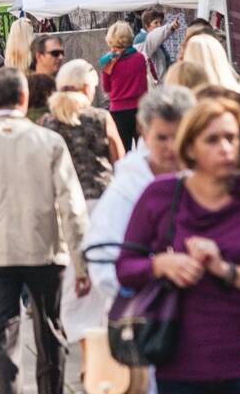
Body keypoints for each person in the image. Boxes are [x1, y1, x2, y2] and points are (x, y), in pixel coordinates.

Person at [116, 97, 240, 393]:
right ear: (190, 147)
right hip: (181, 367)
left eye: (232, 138)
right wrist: (161, 264)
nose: (225, 148)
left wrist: (226, 271)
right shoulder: (160, 197)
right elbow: (125, 268)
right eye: (212, 139)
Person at [0, 67, 89, 394]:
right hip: (45, 249)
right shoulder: (49, 141)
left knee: (1, 333)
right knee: (50, 330)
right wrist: (81, 261)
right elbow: (72, 206)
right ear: (25, 97)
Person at [39, 59, 124, 349]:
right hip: (101, 202)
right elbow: (120, 160)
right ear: (87, 87)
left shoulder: (48, 122)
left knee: (75, 275)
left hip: (65, 206)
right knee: (103, 269)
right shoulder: (100, 117)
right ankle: (105, 334)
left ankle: (83, 337)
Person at [83, 86, 195, 303]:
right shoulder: (127, 187)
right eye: (162, 138)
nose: (171, 147)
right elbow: (102, 255)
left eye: (178, 136)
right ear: (144, 132)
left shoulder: (204, 177)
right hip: (148, 315)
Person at [99, 21, 148, 151]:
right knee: (143, 149)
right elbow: (144, 87)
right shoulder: (139, 58)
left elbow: (106, 88)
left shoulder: (108, 62)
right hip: (139, 108)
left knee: (123, 151)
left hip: (118, 112)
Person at [134, 8, 181, 81]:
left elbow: (164, 63)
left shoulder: (157, 41)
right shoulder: (142, 39)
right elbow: (157, 34)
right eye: (156, 23)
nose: (159, 25)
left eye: (160, 22)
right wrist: (171, 27)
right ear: (146, 25)